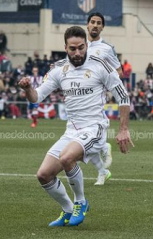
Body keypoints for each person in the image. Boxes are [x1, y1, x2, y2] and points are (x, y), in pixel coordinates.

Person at [18, 26, 133, 227]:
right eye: (73, 49)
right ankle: (68, 209)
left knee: (67, 157)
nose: (77, 53)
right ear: (65, 48)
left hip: (94, 128)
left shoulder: (100, 66)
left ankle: (81, 201)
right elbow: (36, 98)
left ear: (86, 45)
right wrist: (28, 88)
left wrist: (123, 129)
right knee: (43, 175)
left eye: (81, 47)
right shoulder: (58, 69)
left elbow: (123, 96)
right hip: (71, 132)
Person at [86, 12, 123, 185]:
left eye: (98, 23)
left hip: (96, 95)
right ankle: (102, 169)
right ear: (87, 25)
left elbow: (119, 71)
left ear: (102, 27)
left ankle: (102, 147)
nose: (95, 25)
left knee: (85, 138)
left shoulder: (107, 48)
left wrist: (104, 80)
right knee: (84, 142)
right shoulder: (80, 46)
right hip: (78, 96)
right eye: (92, 22)